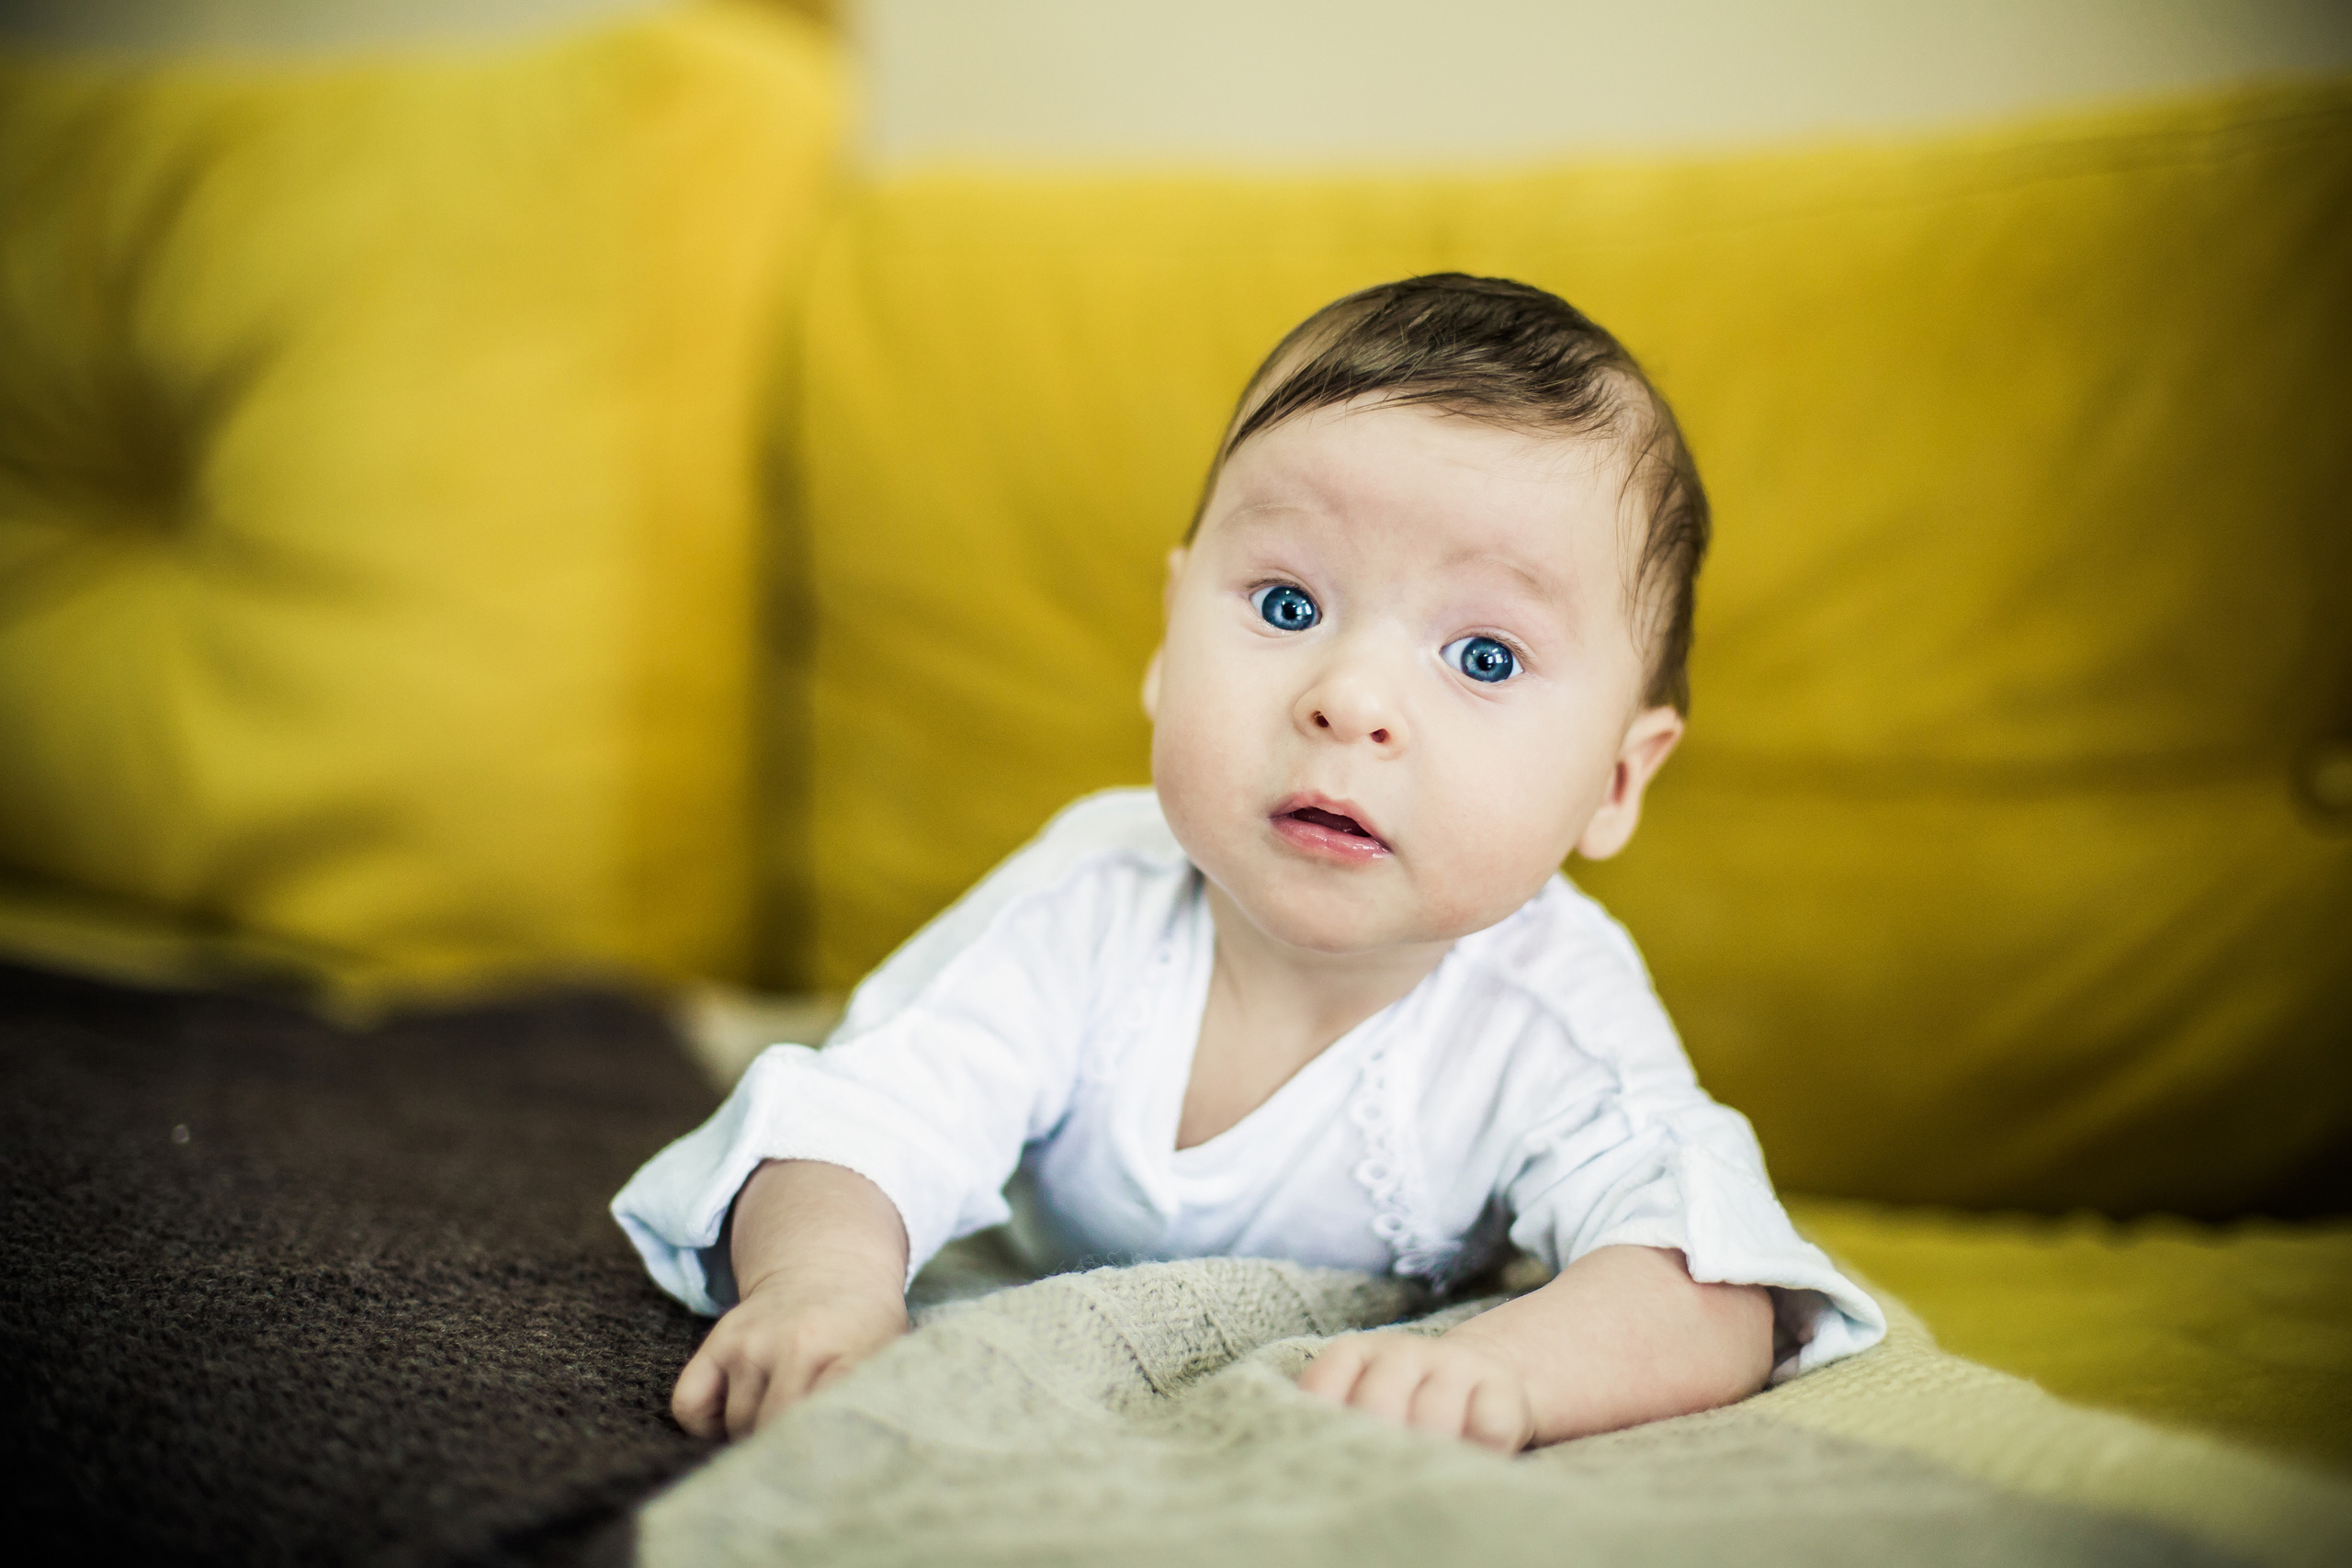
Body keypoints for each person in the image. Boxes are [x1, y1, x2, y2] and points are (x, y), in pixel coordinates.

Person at [613, 274, 1883, 1454]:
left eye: (1484, 656)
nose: (1349, 699)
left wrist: (1510, 1369)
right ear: (1169, 641)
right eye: (1287, 606)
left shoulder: (1552, 1015)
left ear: (1616, 780)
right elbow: (859, 1122)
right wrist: (822, 1289)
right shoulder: (1092, 900)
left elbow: (1714, 1281)